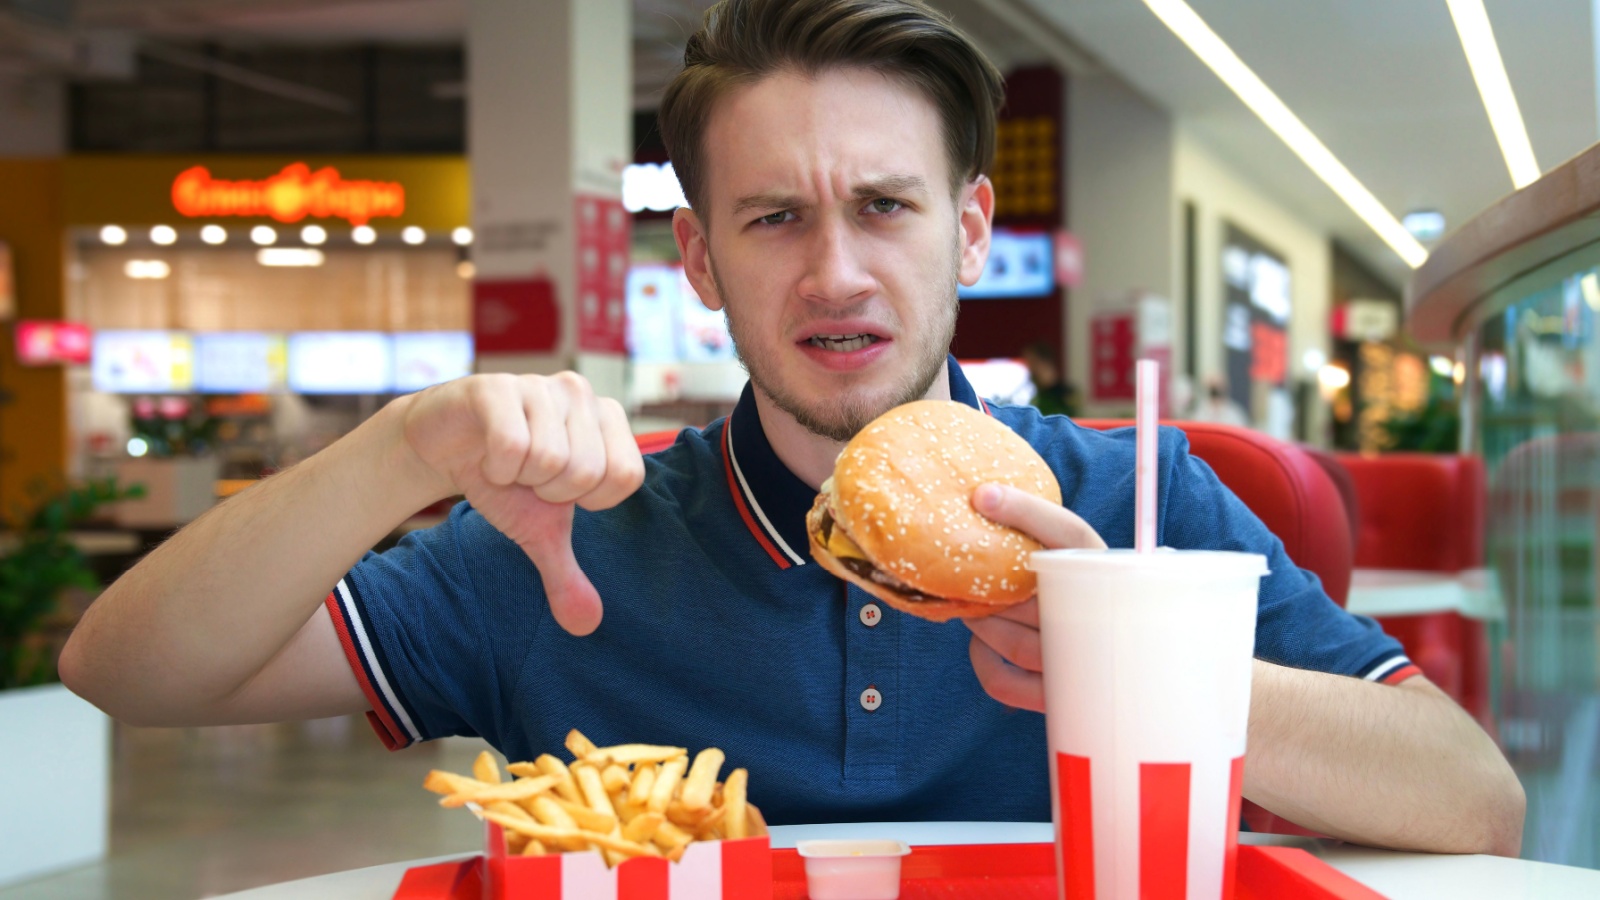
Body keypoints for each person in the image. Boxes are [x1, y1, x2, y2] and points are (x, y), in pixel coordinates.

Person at [60, 0, 1522, 853]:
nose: (834, 272)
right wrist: (397, 452)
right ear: (699, 260)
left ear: (968, 230)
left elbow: (1479, 804)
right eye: (774, 219)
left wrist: (1142, 662)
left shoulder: (1138, 499)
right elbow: (126, 674)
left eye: (885, 206)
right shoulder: (572, 528)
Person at [1021, 340, 1079, 418]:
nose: (1029, 368)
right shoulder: (1030, 389)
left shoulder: (1066, 393)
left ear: (1044, 362)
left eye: (1032, 362)